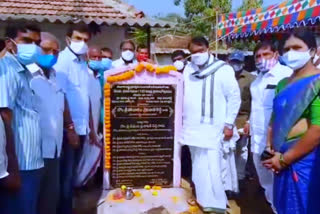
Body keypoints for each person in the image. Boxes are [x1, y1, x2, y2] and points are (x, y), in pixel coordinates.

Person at [181, 36, 241, 213]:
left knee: (213, 166)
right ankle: (202, 198)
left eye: (200, 51)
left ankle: (216, 203)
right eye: (193, 52)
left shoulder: (223, 70)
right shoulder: (187, 70)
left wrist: (229, 124)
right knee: (198, 165)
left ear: (208, 49)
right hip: (192, 128)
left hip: (214, 128)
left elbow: (234, 98)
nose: (197, 55)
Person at [263, 30, 320, 214]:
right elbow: (274, 119)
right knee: (283, 206)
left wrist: (285, 159)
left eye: (297, 48)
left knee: (306, 206)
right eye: (286, 49)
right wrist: (269, 147)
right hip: (280, 158)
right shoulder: (282, 84)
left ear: (312, 51)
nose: (291, 53)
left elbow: (317, 130)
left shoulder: (317, 83)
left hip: (305, 160)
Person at [28, 32, 78, 214]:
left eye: (55, 52)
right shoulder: (26, 74)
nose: (51, 55)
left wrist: (70, 127)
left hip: (54, 149)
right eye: (46, 50)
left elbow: (62, 101)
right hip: (31, 153)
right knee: (30, 202)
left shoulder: (55, 75)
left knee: (50, 201)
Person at [54, 24, 97, 214]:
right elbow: (60, 95)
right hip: (68, 130)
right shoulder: (62, 62)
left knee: (72, 177)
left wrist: (91, 128)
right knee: (65, 178)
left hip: (82, 129)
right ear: (68, 39)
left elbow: (84, 97)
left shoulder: (81, 62)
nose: (82, 44)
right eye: (78, 39)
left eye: (86, 40)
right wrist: (69, 127)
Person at [0, 25, 43, 214]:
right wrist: (12, 166)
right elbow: (3, 116)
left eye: (36, 42)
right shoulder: (7, 69)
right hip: (19, 164)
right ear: (10, 43)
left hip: (32, 161)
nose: (33, 47)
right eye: (27, 41)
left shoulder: (25, 70)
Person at [247, 41, 293, 212]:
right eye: (257, 56)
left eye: (265, 54)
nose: (261, 59)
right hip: (257, 140)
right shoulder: (257, 80)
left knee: (281, 182)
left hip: (276, 142)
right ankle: (275, 208)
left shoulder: (286, 75)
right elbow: (257, 109)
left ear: (276, 54)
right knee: (266, 182)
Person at [228, 51, 256, 183]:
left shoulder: (251, 79)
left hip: (242, 119)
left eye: (237, 62)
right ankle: (228, 179)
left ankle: (239, 177)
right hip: (226, 119)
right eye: (233, 62)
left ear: (243, 63)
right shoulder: (224, 77)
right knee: (227, 150)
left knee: (241, 149)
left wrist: (249, 121)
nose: (235, 65)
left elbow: (254, 102)